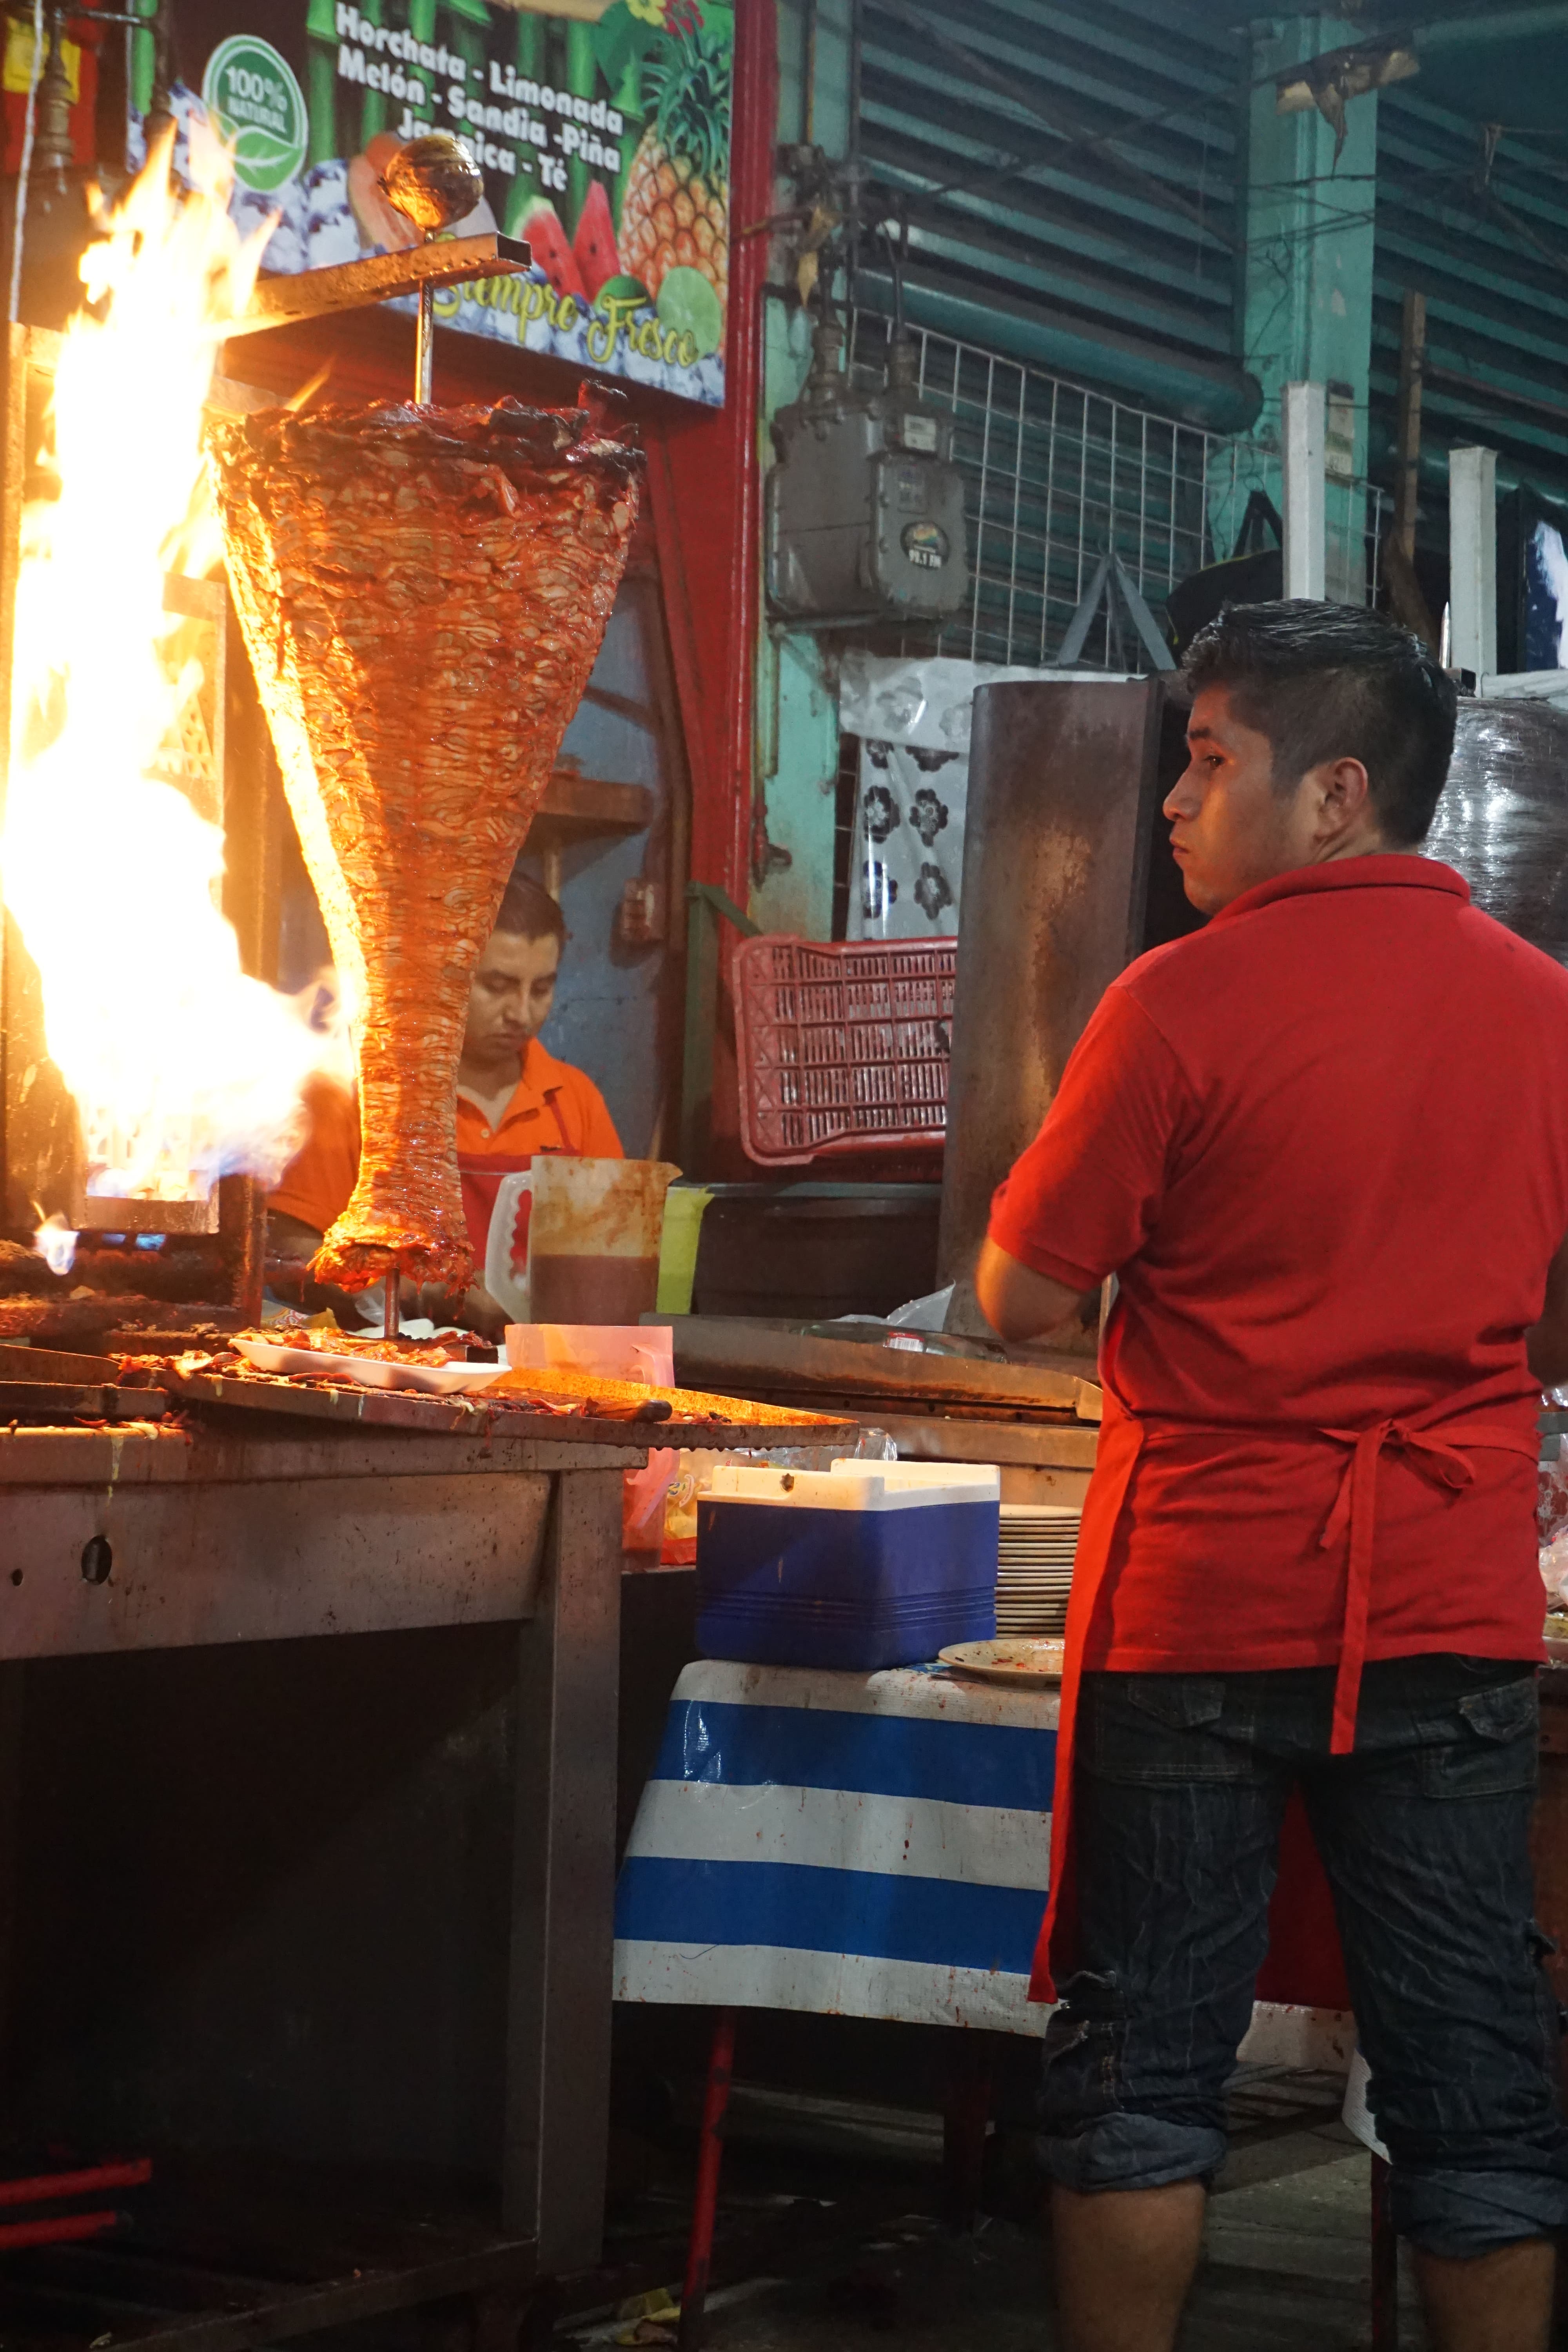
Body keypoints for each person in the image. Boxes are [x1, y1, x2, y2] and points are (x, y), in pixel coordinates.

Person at [973, 601, 1568, 2352]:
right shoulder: (1545, 1012)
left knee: (1144, 2051)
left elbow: (1018, 1295)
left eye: (1210, 756)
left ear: (1333, 795)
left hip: (1203, 1599)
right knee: (1472, 2059)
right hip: (1447, 1601)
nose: (1171, 797)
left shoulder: (1172, 1002)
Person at [270, 869, 621, 1334]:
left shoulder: (573, 1100)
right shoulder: (360, 1092)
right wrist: (423, 1292)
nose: (521, 1013)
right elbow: (289, 1252)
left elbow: (611, 1254)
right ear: (444, 976)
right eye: (497, 986)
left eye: (540, 989)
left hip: (538, 1368)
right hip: (387, 1368)